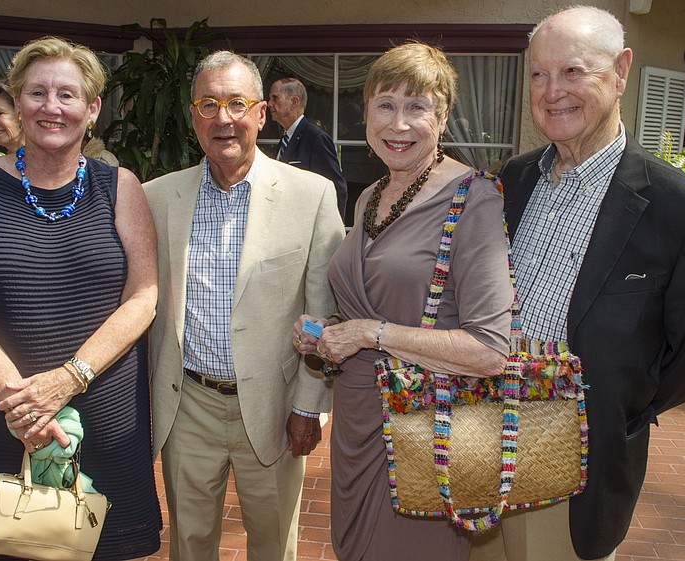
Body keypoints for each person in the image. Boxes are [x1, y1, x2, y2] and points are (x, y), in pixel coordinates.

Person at [469, 6, 685, 561]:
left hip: (576, 470)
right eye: (538, 74)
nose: (551, 91)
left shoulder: (684, 211)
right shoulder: (513, 180)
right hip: (482, 445)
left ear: (621, 71)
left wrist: (623, 404)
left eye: (573, 71)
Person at [0, 36, 161, 559]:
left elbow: (143, 294)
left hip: (103, 413)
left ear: (93, 108)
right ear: (17, 102)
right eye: (36, 92)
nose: (51, 107)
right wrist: (24, 403)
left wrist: (66, 380)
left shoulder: (120, 186)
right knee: (8, 542)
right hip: (8, 415)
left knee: (102, 545)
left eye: (67, 94)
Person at [293, 42, 514, 561]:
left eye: (418, 107)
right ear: (366, 113)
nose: (399, 123)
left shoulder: (473, 197)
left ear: (442, 118)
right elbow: (378, 305)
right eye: (385, 104)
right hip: (358, 425)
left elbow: (489, 350)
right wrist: (327, 333)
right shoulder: (371, 196)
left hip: (422, 432)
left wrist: (369, 334)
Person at [144, 51, 345, 561]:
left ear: (260, 112)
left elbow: (321, 310)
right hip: (188, 404)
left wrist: (308, 406)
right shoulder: (156, 198)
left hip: (275, 407)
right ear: (193, 116)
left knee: (274, 545)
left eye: (237, 103)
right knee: (189, 544)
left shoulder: (312, 196)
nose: (224, 118)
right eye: (208, 104)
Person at [268, 77, 348, 217]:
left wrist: (331, 232)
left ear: (294, 102)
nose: (269, 104)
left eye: (275, 98)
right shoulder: (286, 137)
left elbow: (337, 189)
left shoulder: (316, 137)